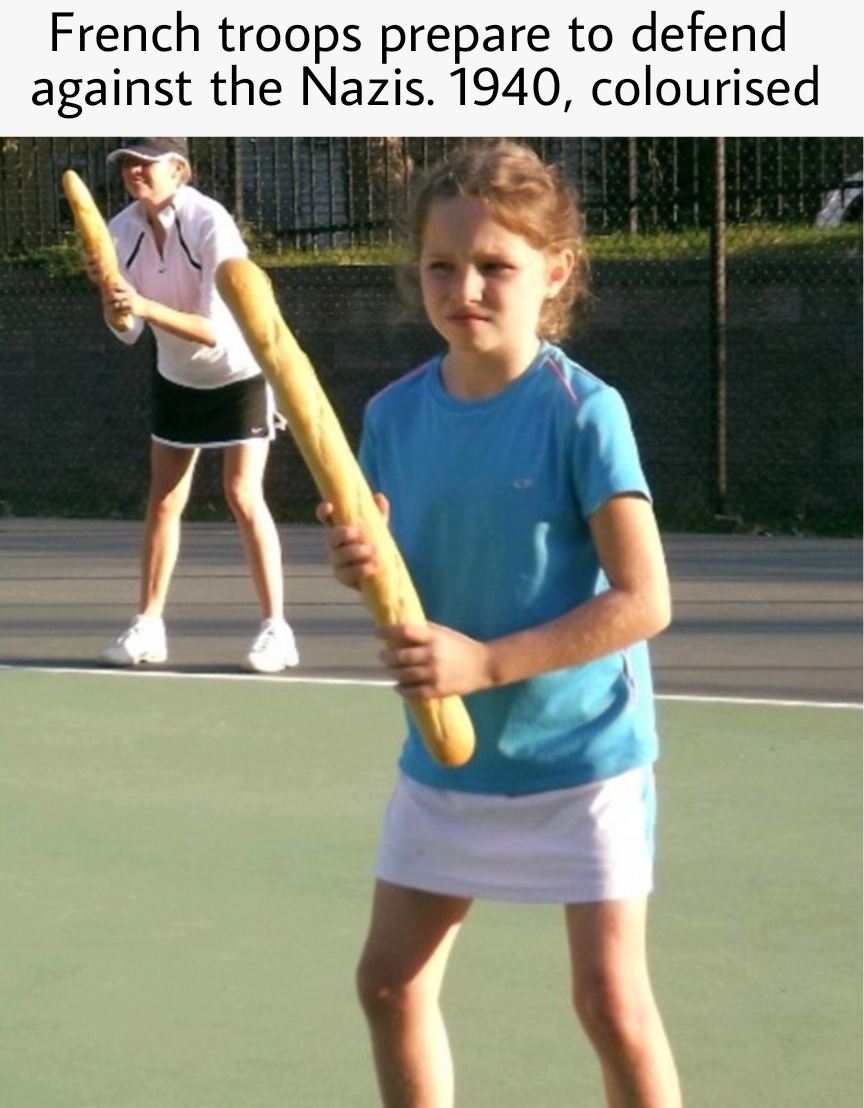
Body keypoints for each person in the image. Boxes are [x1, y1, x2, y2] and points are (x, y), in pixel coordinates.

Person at [319, 141, 682, 1108]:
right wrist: (365, 563)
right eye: (442, 265)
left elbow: (645, 600)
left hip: (582, 757)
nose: (464, 287)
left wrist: (488, 663)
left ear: (555, 272)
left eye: (495, 266)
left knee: (611, 1003)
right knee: (390, 985)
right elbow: (404, 575)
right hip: (450, 763)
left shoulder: (582, 412)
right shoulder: (392, 418)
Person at [89, 137, 298, 674]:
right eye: (127, 164)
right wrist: (111, 300)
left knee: (241, 494)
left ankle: (277, 630)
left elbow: (211, 331)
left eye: (146, 162)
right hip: (176, 377)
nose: (134, 171)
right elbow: (129, 331)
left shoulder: (212, 222)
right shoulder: (119, 230)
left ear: (178, 169)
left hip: (238, 373)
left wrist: (142, 304)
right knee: (163, 500)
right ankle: (148, 626)